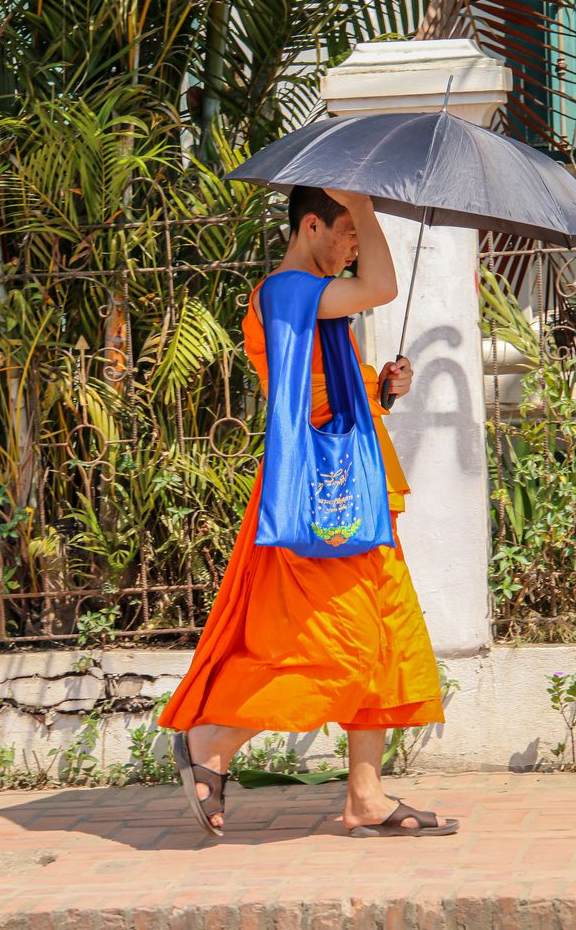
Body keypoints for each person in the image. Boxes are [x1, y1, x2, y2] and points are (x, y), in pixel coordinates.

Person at [157, 186, 459, 839]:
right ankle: (209, 742)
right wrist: (371, 209)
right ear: (311, 225)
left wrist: (380, 389)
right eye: (347, 230)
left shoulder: (317, 306)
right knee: (336, 648)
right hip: (324, 505)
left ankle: (365, 798)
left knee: (383, 644)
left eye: (358, 231)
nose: (354, 244)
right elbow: (378, 286)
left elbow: (327, 393)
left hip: (357, 496)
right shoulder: (287, 291)